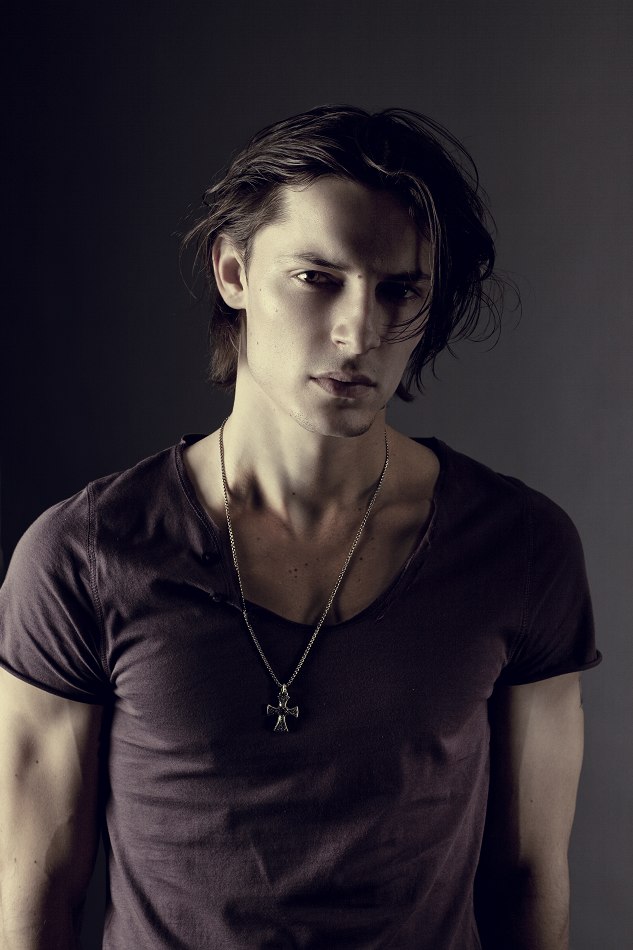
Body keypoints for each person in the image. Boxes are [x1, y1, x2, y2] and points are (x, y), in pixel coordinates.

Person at [0, 106, 600, 950]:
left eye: (398, 289)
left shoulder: (519, 547)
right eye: (317, 278)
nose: (360, 331)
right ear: (233, 272)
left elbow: (529, 876)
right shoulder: (86, 555)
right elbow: (34, 893)